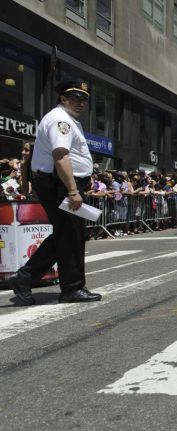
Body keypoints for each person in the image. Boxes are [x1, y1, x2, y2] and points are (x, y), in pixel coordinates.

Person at [5, 80, 101, 305]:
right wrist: (73, 190)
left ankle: (24, 277)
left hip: (59, 184)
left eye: (84, 100)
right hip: (60, 185)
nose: (80, 103)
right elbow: (60, 155)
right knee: (71, 236)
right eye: (75, 98)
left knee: (66, 235)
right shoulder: (60, 120)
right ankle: (71, 288)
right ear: (63, 98)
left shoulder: (66, 119)